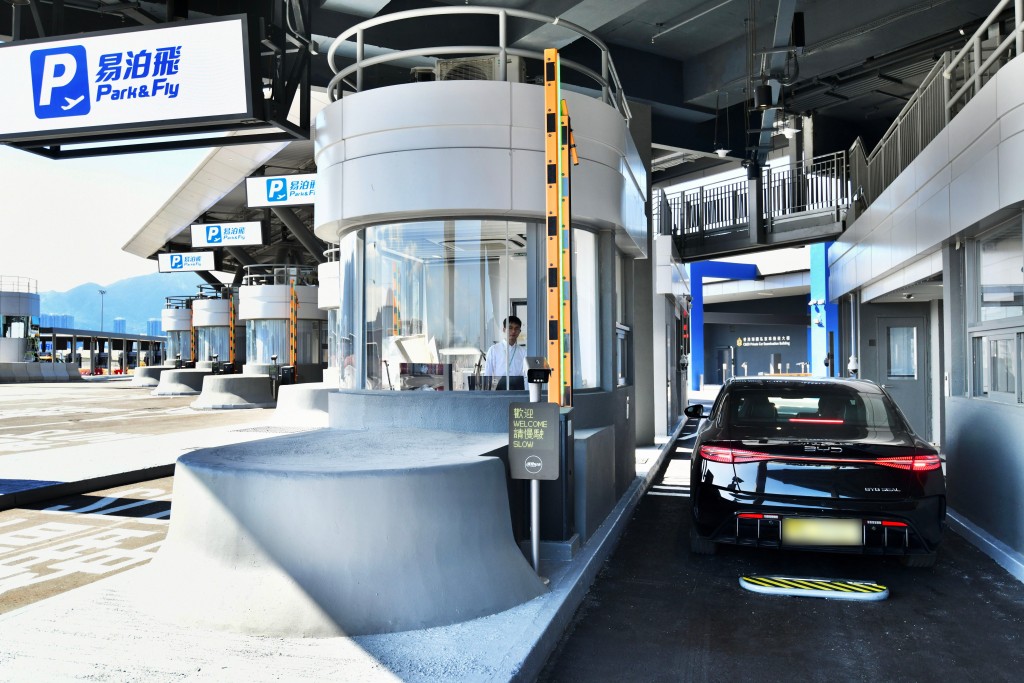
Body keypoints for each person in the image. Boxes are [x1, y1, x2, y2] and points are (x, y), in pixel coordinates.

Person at [483, 316, 527, 387]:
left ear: (519, 331)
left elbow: (526, 376)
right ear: (504, 329)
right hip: (498, 389)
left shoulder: (523, 352)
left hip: (518, 389)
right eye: (510, 328)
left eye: (516, 328)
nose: (513, 331)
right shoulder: (493, 350)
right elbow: (488, 375)